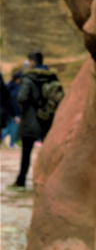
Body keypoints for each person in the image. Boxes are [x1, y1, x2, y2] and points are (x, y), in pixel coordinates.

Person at [8, 52, 61, 192]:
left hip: (30, 120)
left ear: (32, 61)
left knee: (26, 152)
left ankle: (21, 181)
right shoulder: (51, 76)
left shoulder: (29, 78)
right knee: (49, 151)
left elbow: (22, 97)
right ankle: (50, 180)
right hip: (46, 119)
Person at [2, 72, 23, 147]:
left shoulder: (8, 86)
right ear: (17, 79)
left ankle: (5, 138)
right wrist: (16, 113)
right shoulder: (15, 88)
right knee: (14, 127)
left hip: (7, 110)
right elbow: (14, 102)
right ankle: (12, 142)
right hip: (13, 111)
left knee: (9, 126)